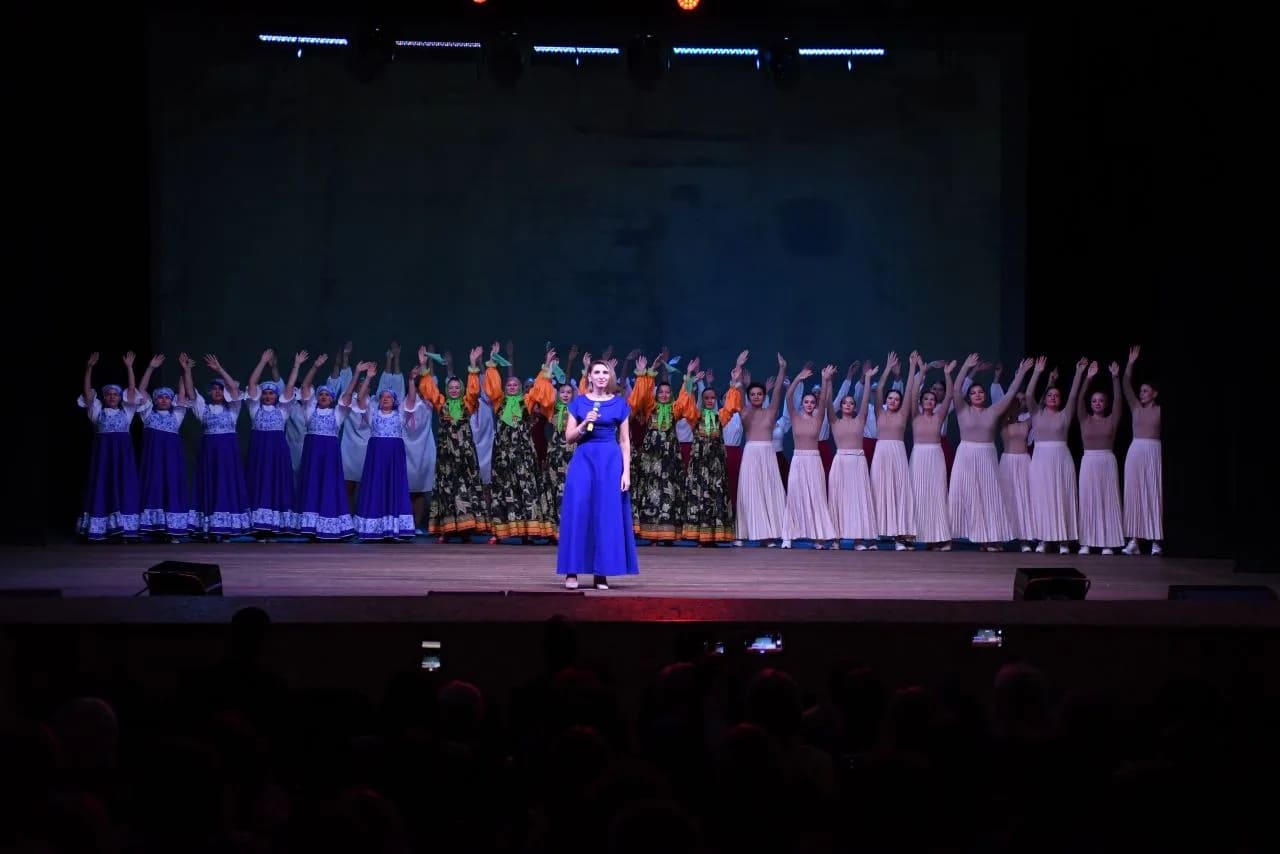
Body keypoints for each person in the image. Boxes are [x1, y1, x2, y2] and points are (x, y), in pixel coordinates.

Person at [556, 359, 639, 590]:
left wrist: (626, 473)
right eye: (597, 372)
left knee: (605, 514)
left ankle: (601, 573)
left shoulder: (620, 404)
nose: (601, 376)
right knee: (578, 511)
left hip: (610, 462)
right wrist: (584, 424)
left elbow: (625, 441)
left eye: (605, 372)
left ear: (610, 376)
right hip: (584, 460)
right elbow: (569, 438)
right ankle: (571, 572)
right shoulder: (579, 403)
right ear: (589, 376)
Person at [1121, 344, 1163, 555]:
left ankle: (1155, 541)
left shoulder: (1160, 411)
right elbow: (1125, 384)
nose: (1141, 394)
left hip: (1153, 451)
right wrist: (1130, 363)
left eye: (1145, 391)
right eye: (1141, 391)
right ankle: (1134, 541)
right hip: (1136, 451)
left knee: (1153, 493)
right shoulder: (1136, 408)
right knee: (1134, 494)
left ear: (1155, 394)